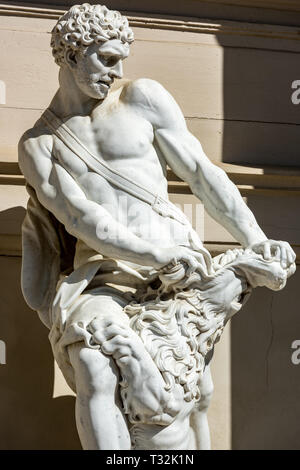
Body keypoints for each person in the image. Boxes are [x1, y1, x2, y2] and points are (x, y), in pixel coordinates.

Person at [18, 3, 296, 450]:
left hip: (180, 265)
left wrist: (256, 239)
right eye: (106, 59)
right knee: (92, 360)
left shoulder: (142, 98)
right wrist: (156, 256)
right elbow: (84, 219)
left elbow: (202, 174)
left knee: (196, 391)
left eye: (121, 59)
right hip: (105, 277)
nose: (117, 70)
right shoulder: (39, 145)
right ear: (71, 54)